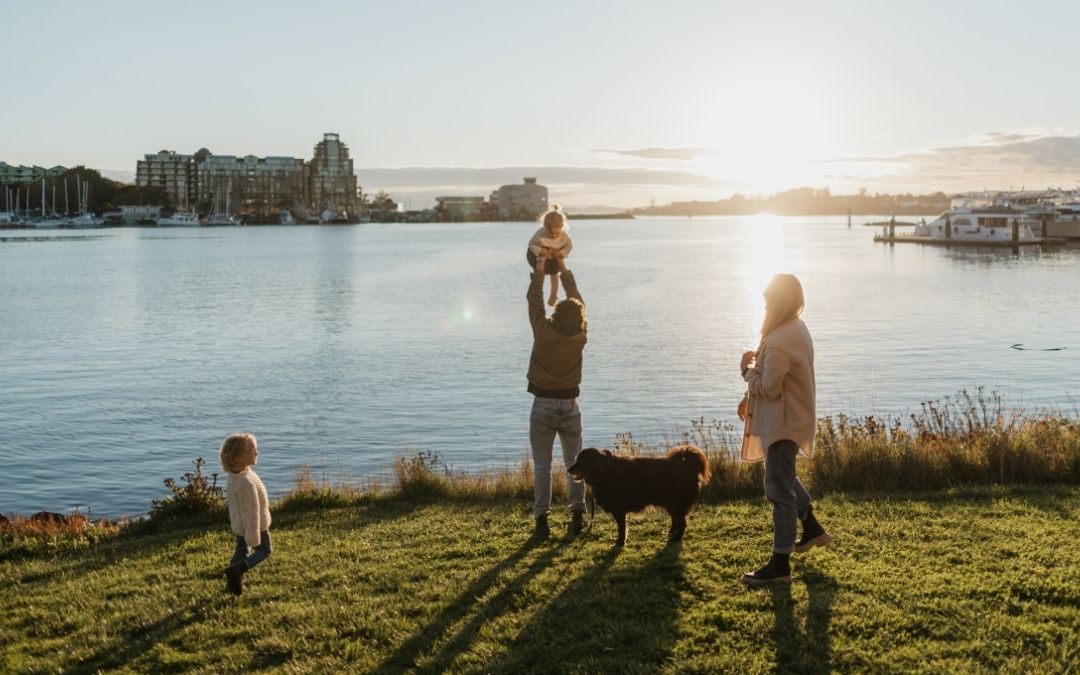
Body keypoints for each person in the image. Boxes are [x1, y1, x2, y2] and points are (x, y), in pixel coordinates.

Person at [737, 274, 831, 585]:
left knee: (778, 489)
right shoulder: (793, 329)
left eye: (767, 301)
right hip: (789, 419)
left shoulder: (778, 340)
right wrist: (748, 393)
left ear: (777, 302)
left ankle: (780, 563)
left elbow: (769, 386)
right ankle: (812, 527)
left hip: (783, 423)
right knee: (784, 477)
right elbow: (775, 379)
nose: (764, 306)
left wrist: (746, 371)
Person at [527, 252, 587, 537]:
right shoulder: (581, 335)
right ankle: (577, 516)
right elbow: (577, 299)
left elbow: (535, 300)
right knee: (574, 463)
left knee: (542, 466)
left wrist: (541, 266)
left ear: (555, 315)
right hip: (570, 405)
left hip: (543, 406)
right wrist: (562, 267)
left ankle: (542, 522)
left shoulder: (542, 331)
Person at [220, 432, 272, 596]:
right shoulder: (246, 482)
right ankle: (239, 569)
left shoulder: (236, 475)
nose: (257, 453)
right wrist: (253, 535)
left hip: (239, 524)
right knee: (264, 550)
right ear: (239, 457)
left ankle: (232, 578)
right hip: (254, 526)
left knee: (241, 551)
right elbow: (251, 511)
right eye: (253, 451)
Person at [527, 205, 573, 307]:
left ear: (561, 228)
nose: (553, 236)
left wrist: (561, 253)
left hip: (554, 255)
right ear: (545, 227)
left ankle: (553, 294)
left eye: (556, 234)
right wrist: (540, 251)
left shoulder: (564, 236)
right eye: (550, 233)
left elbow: (569, 246)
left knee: (554, 273)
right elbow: (532, 244)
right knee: (539, 269)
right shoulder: (539, 234)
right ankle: (536, 289)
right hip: (536, 255)